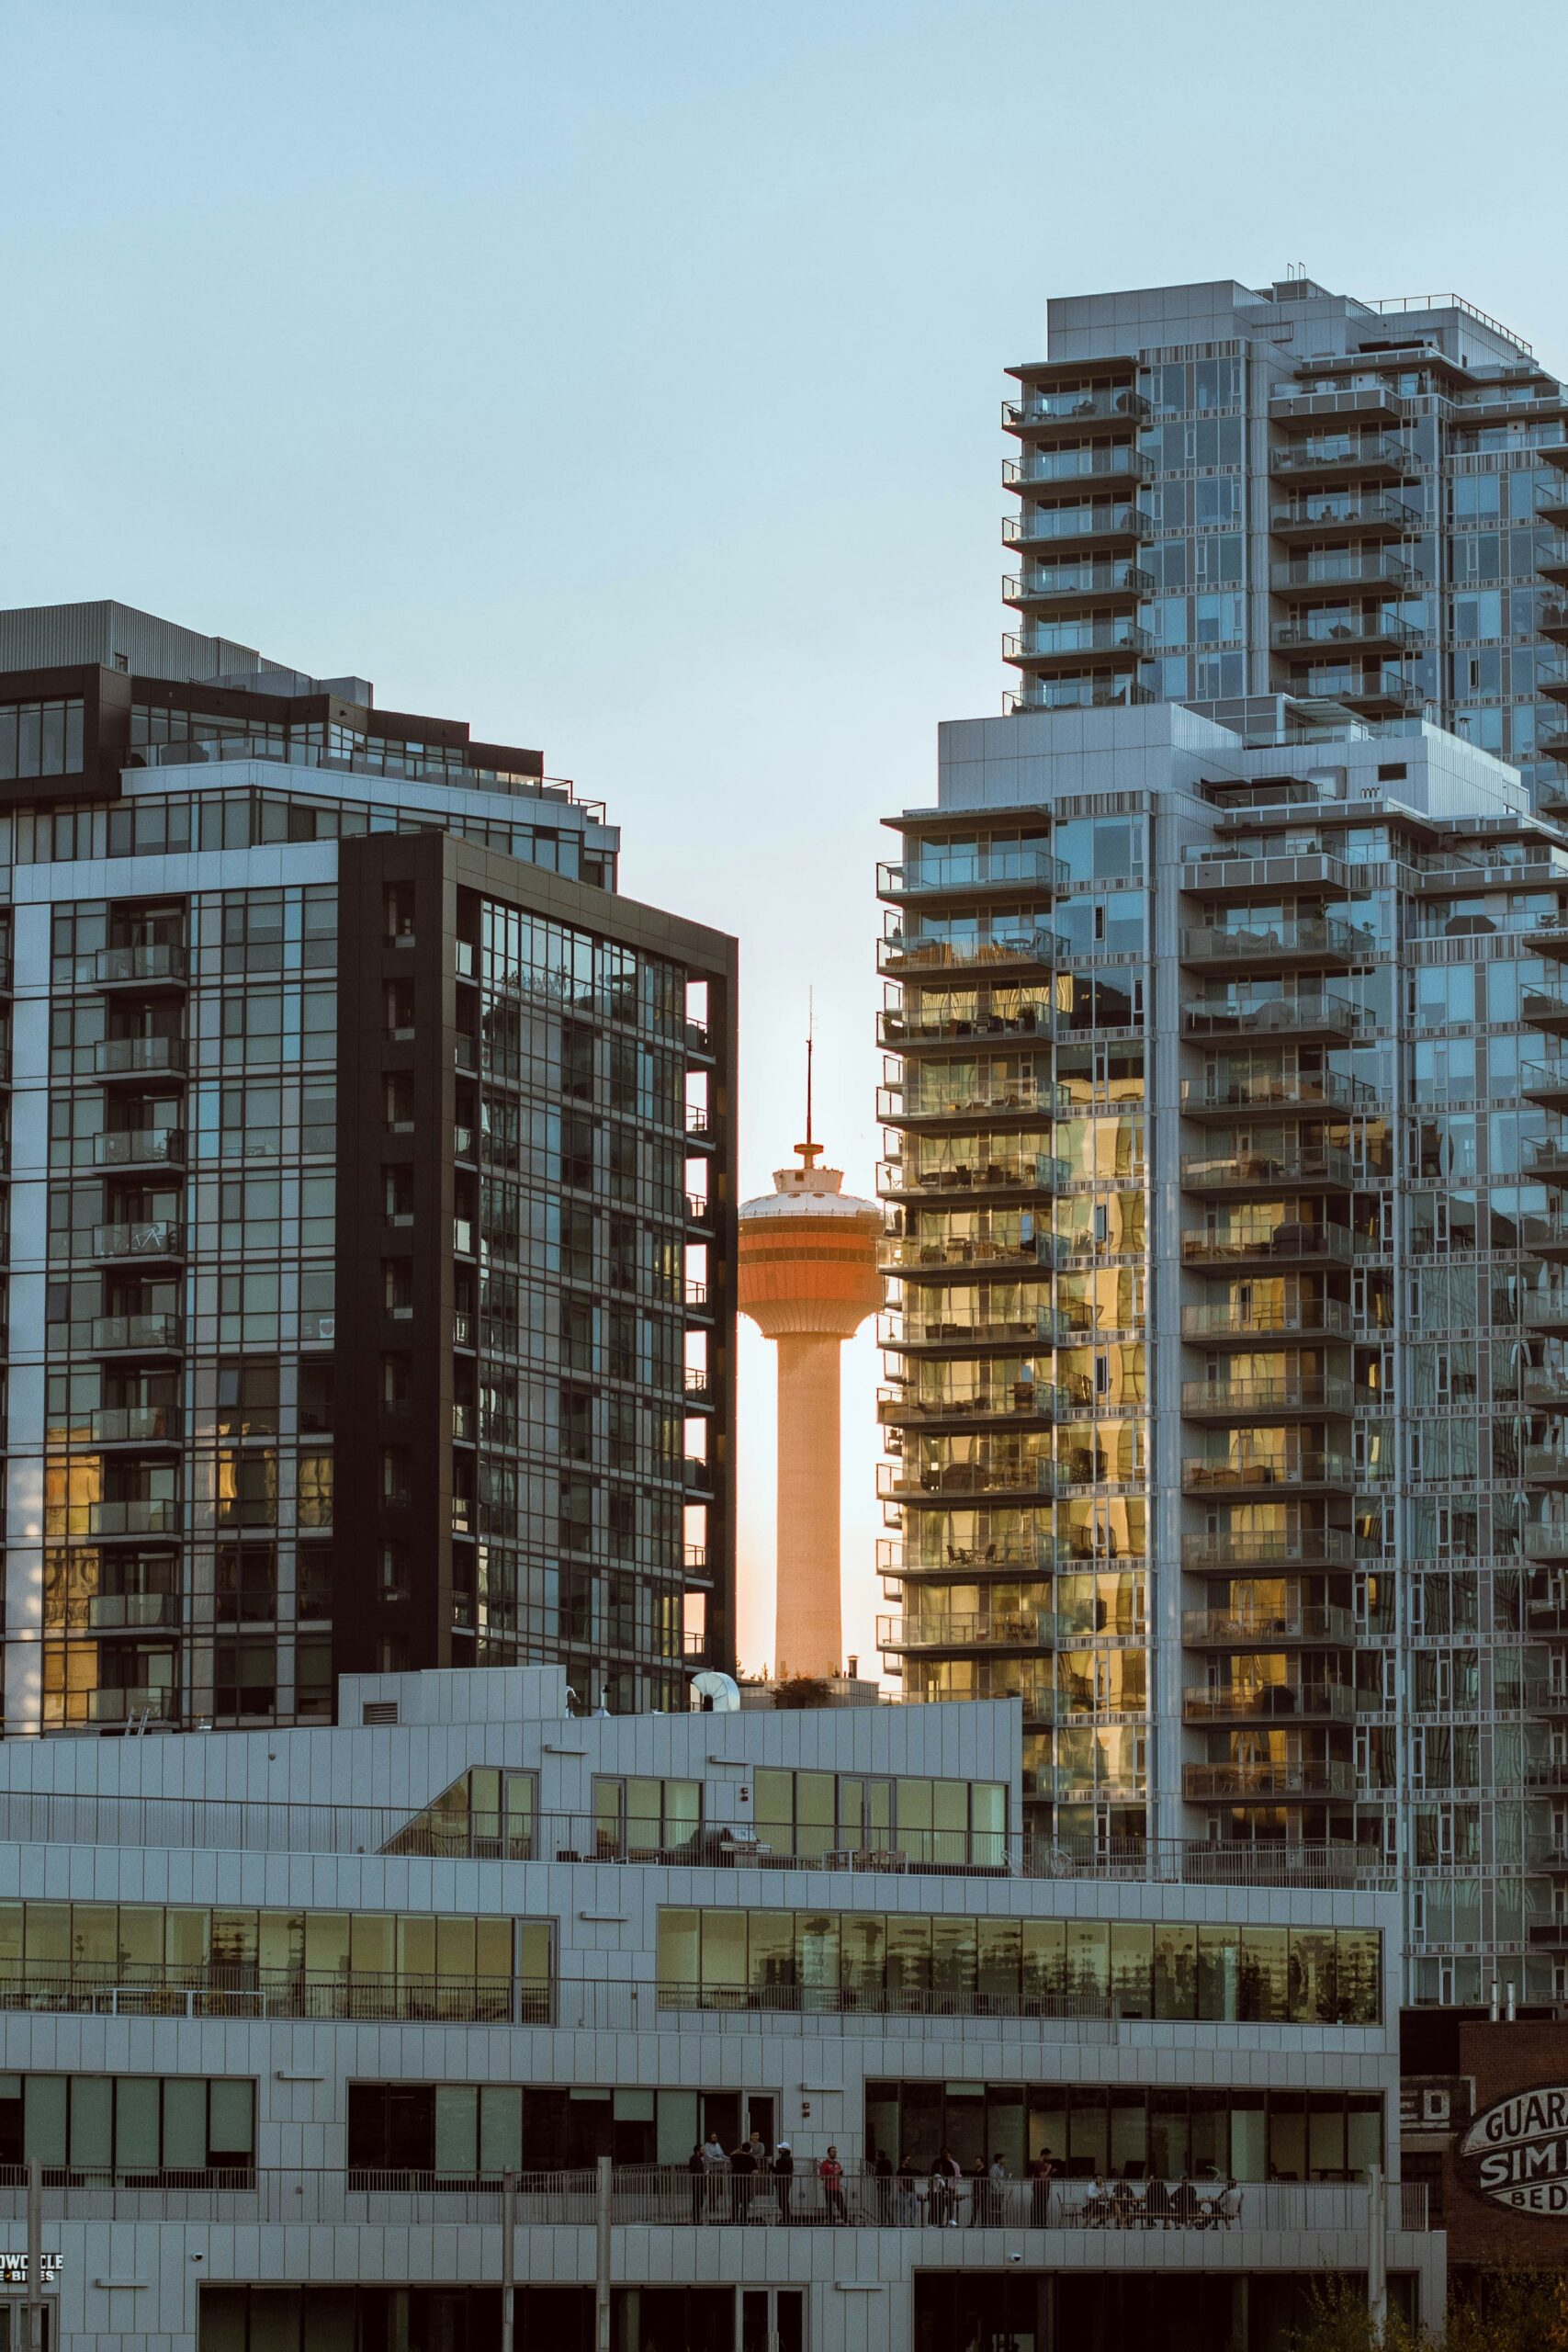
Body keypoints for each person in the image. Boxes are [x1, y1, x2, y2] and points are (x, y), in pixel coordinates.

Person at [699, 2129, 728, 2222]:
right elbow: (709, 2157)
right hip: (711, 2170)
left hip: (719, 2169)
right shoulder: (706, 2146)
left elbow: (722, 2155)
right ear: (709, 2138)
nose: (715, 2138)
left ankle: (715, 2203)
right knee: (712, 2188)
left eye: (715, 2137)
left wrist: (728, 2159)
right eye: (713, 2137)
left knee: (719, 2188)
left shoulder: (718, 2145)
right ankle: (710, 2204)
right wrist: (721, 2160)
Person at [729, 2132, 756, 2224]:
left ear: (742, 2149)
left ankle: (733, 2218)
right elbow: (755, 2171)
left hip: (736, 2182)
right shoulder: (752, 2159)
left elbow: (731, 2154)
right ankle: (743, 2219)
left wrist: (739, 2149)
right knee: (745, 2202)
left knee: (735, 2201)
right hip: (746, 2182)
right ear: (750, 2150)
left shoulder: (735, 2157)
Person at [818, 2144, 846, 2224]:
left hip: (837, 2188)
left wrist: (840, 2173)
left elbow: (840, 2176)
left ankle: (845, 2218)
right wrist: (834, 2174)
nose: (835, 2153)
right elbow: (822, 2177)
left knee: (841, 2205)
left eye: (835, 2152)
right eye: (833, 2152)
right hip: (829, 2188)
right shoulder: (825, 2164)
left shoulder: (837, 2163)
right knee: (830, 2206)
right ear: (828, 2153)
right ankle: (831, 2220)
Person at [773, 2140, 794, 2226]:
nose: (779, 2150)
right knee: (784, 2200)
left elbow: (777, 2171)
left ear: (784, 2150)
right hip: (786, 2181)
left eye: (781, 2148)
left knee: (782, 2201)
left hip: (782, 2181)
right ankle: (787, 2216)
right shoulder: (789, 2158)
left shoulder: (783, 2159)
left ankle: (787, 2217)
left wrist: (770, 2165)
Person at [896, 2149, 919, 2226]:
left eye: (909, 2160)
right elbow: (900, 2182)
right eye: (907, 2160)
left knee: (915, 2207)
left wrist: (914, 2190)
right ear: (903, 2160)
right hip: (905, 2192)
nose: (909, 2161)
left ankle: (912, 2223)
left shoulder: (909, 2170)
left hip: (912, 2191)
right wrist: (904, 2191)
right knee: (903, 2209)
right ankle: (903, 2223)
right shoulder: (900, 2170)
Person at [686, 2142, 705, 2225]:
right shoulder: (695, 2159)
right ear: (698, 2151)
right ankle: (696, 2219)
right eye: (702, 2150)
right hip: (698, 2182)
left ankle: (697, 2218)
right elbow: (696, 2170)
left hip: (698, 2182)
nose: (703, 2151)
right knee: (698, 2200)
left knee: (699, 2200)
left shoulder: (696, 2159)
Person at [874, 2146, 893, 2224]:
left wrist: (877, 2180)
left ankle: (883, 2222)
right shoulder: (887, 2163)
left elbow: (878, 2174)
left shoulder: (881, 2164)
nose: (875, 2156)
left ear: (879, 2156)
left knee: (883, 2206)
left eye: (876, 2155)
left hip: (882, 2187)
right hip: (886, 2187)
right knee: (885, 2206)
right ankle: (889, 2221)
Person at [987, 2153, 1009, 2226]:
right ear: (998, 2160)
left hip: (1000, 2191)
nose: (1004, 2160)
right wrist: (997, 2190)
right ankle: (994, 2223)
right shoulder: (994, 2168)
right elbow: (993, 2181)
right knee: (995, 2208)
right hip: (995, 2192)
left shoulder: (1001, 2168)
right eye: (1003, 2159)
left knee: (999, 2207)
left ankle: (998, 2223)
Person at [967, 2153, 987, 2226]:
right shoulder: (976, 2170)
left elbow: (985, 2181)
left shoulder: (984, 2170)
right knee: (975, 2208)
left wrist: (982, 2190)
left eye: (978, 2161)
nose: (976, 2163)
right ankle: (972, 2223)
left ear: (981, 2162)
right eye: (976, 2161)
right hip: (976, 2191)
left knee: (983, 2208)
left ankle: (983, 2224)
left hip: (982, 2191)